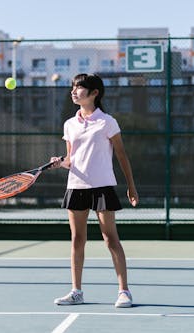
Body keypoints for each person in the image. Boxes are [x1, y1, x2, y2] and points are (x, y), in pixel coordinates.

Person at [50, 73, 139, 308]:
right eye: (73, 87)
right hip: (76, 186)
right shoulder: (70, 124)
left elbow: (121, 154)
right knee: (77, 239)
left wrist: (131, 185)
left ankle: (124, 292)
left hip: (102, 187)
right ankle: (76, 291)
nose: (73, 91)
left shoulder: (107, 121)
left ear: (94, 93)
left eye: (79, 88)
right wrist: (61, 162)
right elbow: (71, 158)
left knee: (110, 239)